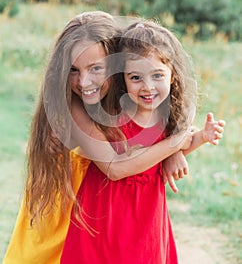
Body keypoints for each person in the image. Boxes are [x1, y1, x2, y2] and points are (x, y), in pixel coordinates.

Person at [3, 11, 201, 264]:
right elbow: (114, 167)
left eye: (95, 68)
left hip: (105, 221)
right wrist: (175, 144)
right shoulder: (73, 106)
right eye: (73, 70)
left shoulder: (125, 96)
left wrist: (174, 152)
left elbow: (175, 109)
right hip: (64, 217)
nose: (84, 81)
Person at [60, 20, 225, 264]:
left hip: (147, 218)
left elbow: (164, 154)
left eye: (157, 75)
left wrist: (197, 138)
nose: (147, 87)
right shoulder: (113, 111)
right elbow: (124, 164)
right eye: (135, 77)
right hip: (103, 214)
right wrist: (174, 146)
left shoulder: (167, 116)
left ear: (172, 76)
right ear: (121, 79)